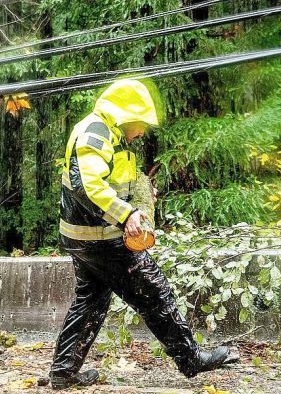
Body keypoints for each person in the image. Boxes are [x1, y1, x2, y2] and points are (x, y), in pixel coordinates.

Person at [48, 78, 238, 389]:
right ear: (127, 116)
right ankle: (191, 360)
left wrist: (138, 201)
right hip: (101, 238)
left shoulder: (109, 135)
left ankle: (63, 372)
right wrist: (127, 214)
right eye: (142, 124)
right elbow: (88, 185)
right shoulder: (95, 133)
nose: (143, 131)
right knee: (155, 291)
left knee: (91, 301)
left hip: (85, 236)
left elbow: (111, 184)